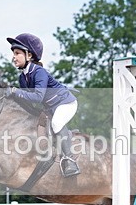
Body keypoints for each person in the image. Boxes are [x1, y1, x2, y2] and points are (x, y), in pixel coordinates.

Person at [6, 33, 81, 177]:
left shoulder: (39, 72)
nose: (14, 57)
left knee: (57, 123)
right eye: (13, 53)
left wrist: (15, 92)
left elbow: (37, 97)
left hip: (65, 103)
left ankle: (70, 160)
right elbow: (28, 101)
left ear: (29, 56)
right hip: (50, 107)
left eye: (17, 53)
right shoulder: (23, 77)